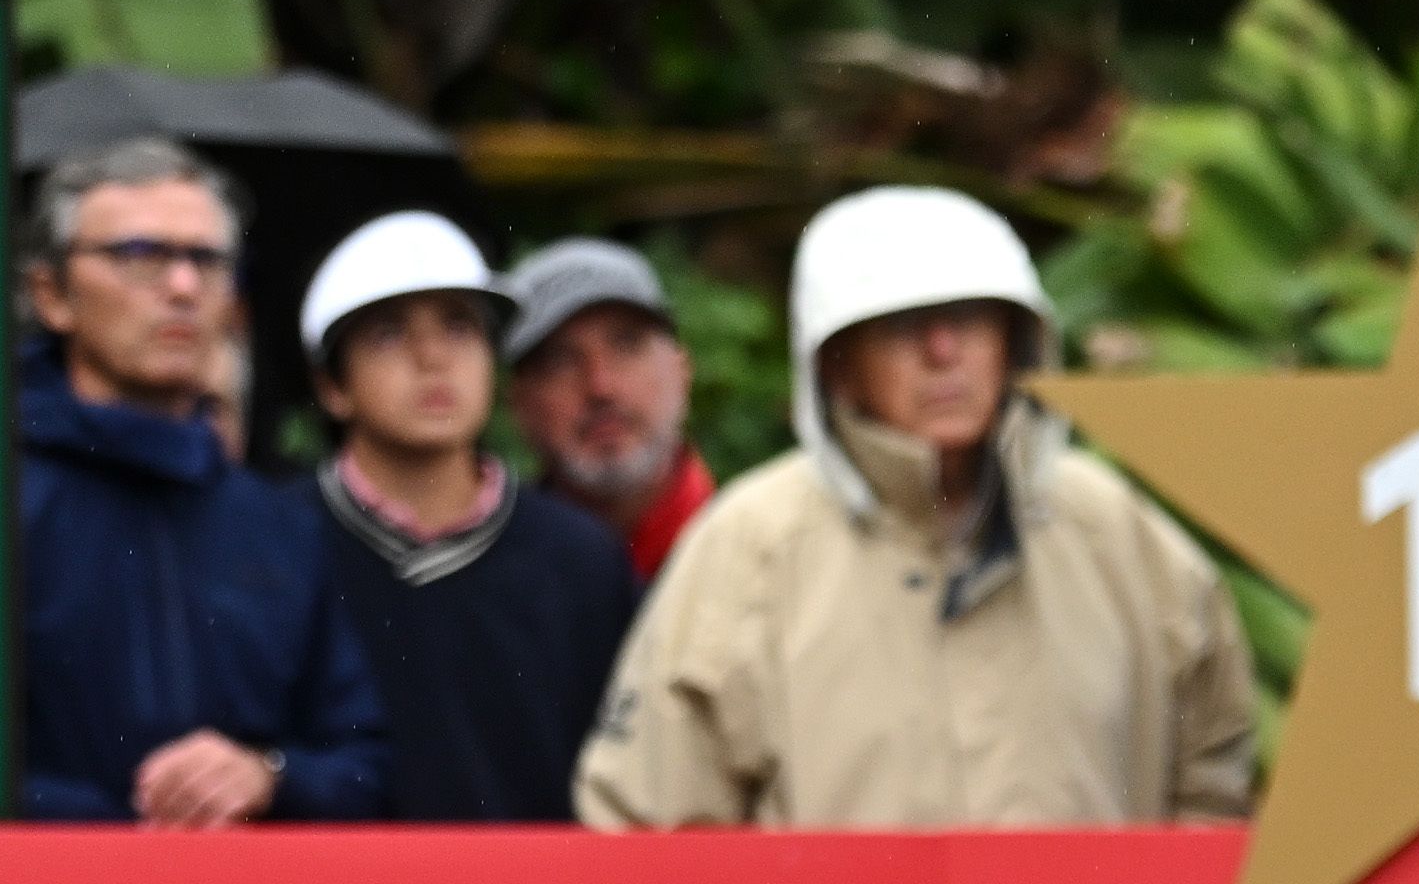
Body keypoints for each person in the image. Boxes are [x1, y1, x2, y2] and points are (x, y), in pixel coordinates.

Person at [574, 185, 1252, 829]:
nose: (942, 352)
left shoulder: (1115, 532)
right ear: (836, 363)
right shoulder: (751, 545)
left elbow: (1215, 786)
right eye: (901, 326)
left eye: (968, 317)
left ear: (1015, 340)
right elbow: (650, 818)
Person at [6, 138, 384, 824]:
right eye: (140, 256)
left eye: (207, 261)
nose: (183, 288)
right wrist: (120, 828)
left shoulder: (281, 528)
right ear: (51, 294)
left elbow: (364, 762)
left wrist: (268, 776)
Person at [298, 211, 642, 825]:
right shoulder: (277, 542)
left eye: (460, 327)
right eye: (387, 333)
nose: (433, 358)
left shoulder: (581, 557)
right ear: (331, 385)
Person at [503, 241, 714, 575]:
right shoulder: (493, 583)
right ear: (518, 404)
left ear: (682, 369)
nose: (600, 386)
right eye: (559, 361)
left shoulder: (768, 549)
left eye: (626, 345)